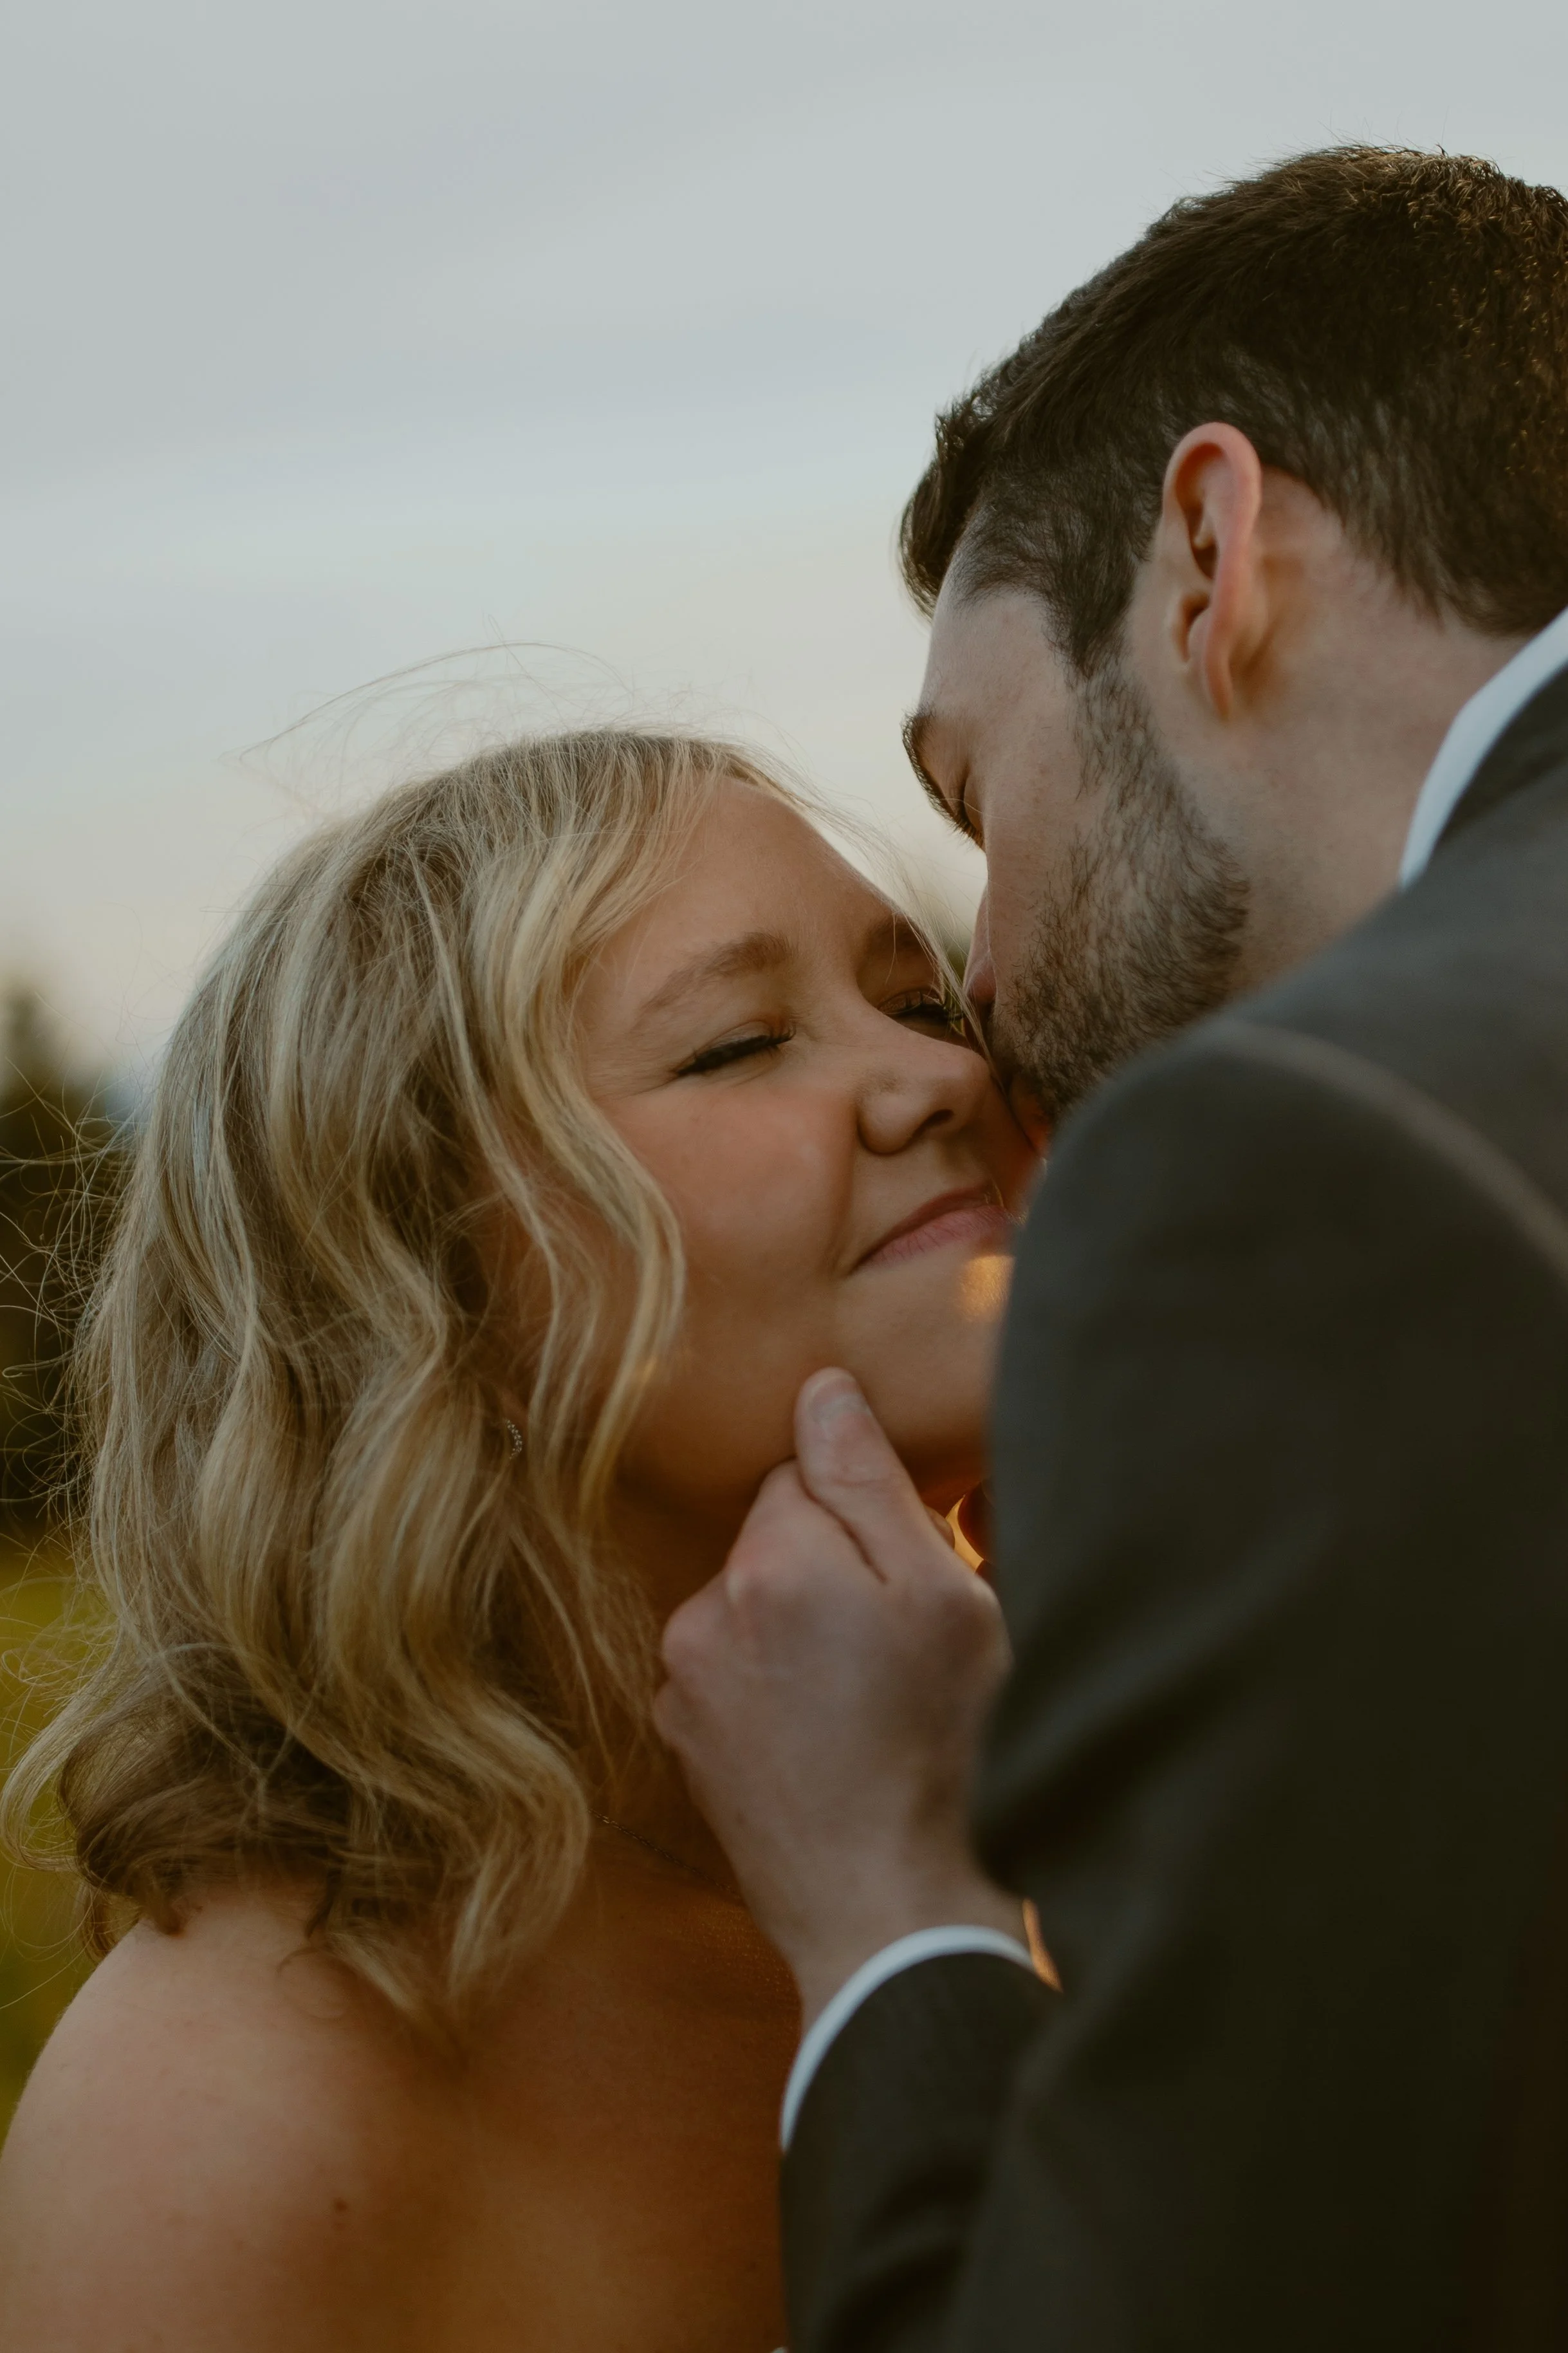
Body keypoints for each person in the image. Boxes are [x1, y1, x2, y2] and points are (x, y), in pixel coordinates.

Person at [656, 147, 1568, 2350]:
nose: (985, 990)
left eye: (976, 801)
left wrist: (893, 1917)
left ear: (1207, 550)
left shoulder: (1299, 1156)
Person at [0, 730, 1035, 2352]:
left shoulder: (1115, 1819)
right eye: (740, 1041)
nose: (947, 1074)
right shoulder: (229, 2126)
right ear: (420, 1284)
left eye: (918, 1002)